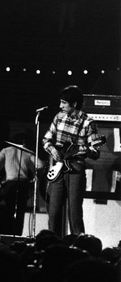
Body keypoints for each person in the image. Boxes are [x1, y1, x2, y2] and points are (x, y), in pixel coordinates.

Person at [42, 85, 101, 237]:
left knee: (74, 213)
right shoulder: (58, 117)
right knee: (53, 211)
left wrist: (87, 149)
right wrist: (53, 150)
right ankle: (51, 246)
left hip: (76, 166)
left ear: (74, 104)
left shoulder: (88, 123)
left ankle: (79, 246)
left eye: (63, 103)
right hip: (59, 166)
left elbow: (95, 152)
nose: (60, 106)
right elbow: (46, 140)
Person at [0, 132, 45, 236]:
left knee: (7, 212)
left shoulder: (5, 151)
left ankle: (6, 235)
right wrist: (36, 176)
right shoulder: (28, 153)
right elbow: (40, 165)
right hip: (23, 185)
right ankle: (17, 236)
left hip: (9, 185)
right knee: (19, 213)